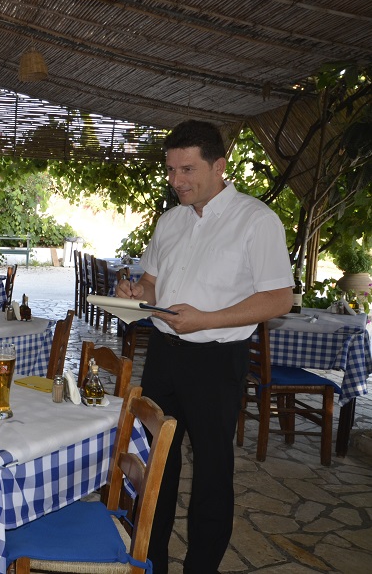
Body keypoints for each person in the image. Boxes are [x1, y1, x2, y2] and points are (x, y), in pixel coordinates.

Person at [115, 120, 292, 573]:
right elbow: (153, 284)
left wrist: (205, 320)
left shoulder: (256, 220)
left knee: (213, 470)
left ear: (220, 166)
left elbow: (279, 298)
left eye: (187, 169)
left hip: (217, 360)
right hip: (165, 354)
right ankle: (151, 560)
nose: (176, 181)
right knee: (160, 465)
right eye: (171, 170)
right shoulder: (170, 220)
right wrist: (137, 295)